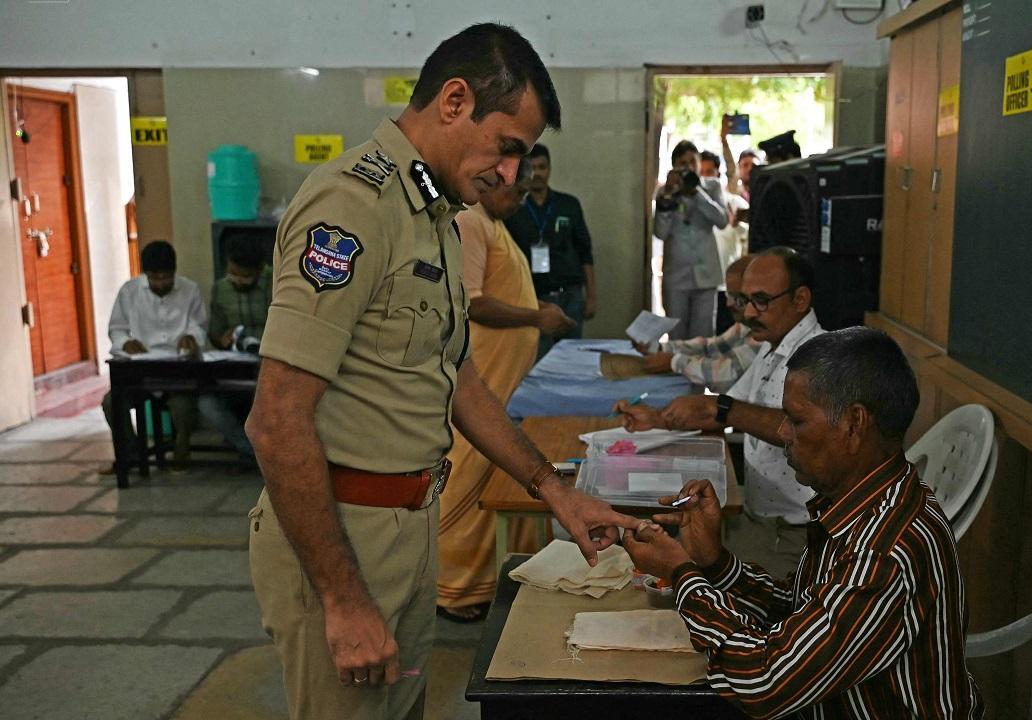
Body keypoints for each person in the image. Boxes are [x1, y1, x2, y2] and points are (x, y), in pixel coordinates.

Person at [244, 24, 640, 720]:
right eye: (507, 149)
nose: (512, 174)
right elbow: (277, 420)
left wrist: (554, 489)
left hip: (407, 526)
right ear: (454, 100)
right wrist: (343, 599)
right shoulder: (352, 206)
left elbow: (454, 377)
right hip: (344, 535)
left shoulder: (432, 214)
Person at [622, 326, 984, 719]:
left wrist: (682, 573)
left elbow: (766, 682)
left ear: (854, 423)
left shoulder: (885, 552)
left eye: (796, 421)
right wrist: (714, 563)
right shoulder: (857, 502)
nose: (781, 433)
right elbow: (797, 612)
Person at [615, 247, 825, 575]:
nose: (749, 313)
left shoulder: (818, 357)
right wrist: (656, 419)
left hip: (791, 534)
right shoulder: (772, 347)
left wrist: (720, 406)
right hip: (759, 518)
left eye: (761, 301)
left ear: (799, 299)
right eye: (745, 300)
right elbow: (731, 408)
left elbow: (794, 429)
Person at [437, 158, 574, 622]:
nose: (519, 202)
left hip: (503, 382)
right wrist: (536, 317)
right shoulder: (470, 223)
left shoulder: (493, 225)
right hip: (483, 380)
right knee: (471, 475)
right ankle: (452, 589)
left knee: (501, 474)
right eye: (515, 193)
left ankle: (494, 575)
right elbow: (473, 303)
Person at [99, 240, 205, 474]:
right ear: (145, 274)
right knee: (111, 403)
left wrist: (192, 338)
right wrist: (124, 343)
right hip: (142, 368)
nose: (160, 283)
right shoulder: (129, 291)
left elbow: (199, 326)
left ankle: (181, 448)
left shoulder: (190, 290)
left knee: (183, 404)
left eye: (166, 277)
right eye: (154, 278)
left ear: (174, 272)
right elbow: (116, 328)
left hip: (177, 368)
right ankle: (133, 452)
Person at [503, 143, 596, 357]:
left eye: (542, 167)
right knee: (538, 359)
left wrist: (591, 296)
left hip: (570, 296)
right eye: (532, 168)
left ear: (550, 169)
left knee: (571, 358)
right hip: (533, 298)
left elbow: (586, 252)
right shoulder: (514, 207)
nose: (538, 174)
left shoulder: (569, 204)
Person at [637, 254, 760, 393]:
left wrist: (673, 362)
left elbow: (726, 375)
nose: (729, 303)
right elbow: (709, 347)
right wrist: (661, 348)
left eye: (738, 298)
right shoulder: (745, 326)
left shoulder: (766, 334)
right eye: (728, 295)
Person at [198, 234, 272, 465]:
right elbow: (215, 333)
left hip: (269, 365)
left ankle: (266, 455)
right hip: (235, 367)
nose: (238, 280)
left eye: (246, 276)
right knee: (207, 402)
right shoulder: (221, 289)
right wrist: (223, 338)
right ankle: (254, 454)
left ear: (259, 269)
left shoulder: (277, 282)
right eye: (234, 274)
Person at [653, 140, 729, 340]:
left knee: (703, 337)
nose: (688, 167)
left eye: (692, 162)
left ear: (699, 162)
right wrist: (669, 195)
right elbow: (660, 233)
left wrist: (697, 193)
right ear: (674, 166)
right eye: (682, 163)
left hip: (706, 274)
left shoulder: (711, 187)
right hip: (676, 275)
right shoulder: (665, 192)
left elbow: (722, 220)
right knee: (677, 335)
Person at [720, 114, 761, 202]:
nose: (750, 169)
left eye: (754, 165)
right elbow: (730, 164)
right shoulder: (734, 192)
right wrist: (723, 139)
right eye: (745, 165)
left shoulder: (766, 191)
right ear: (739, 169)